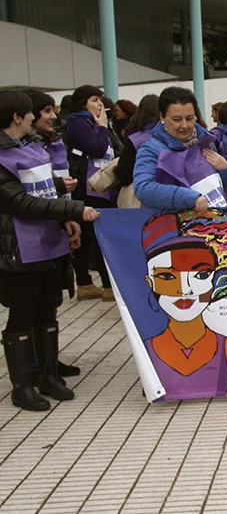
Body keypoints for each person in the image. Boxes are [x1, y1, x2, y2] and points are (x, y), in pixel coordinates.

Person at [0, 90, 99, 411]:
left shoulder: (28, 148)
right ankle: (22, 386)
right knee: (22, 314)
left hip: (47, 243)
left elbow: (37, 189)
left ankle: (48, 375)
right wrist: (73, 211)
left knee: (47, 311)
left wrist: (62, 207)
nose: (36, 118)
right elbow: (20, 202)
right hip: (18, 249)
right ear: (17, 117)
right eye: (32, 113)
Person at [140, 213, 227, 399]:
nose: (184, 290)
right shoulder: (145, 353)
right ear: (150, 282)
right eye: (168, 277)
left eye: (200, 275)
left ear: (214, 280)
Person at [22, 89, 84, 378]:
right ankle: (33, 369)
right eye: (45, 111)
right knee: (30, 305)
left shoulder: (50, 143)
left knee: (51, 300)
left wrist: (67, 218)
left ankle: (49, 361)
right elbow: (26, 196)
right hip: (28, 238)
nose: (51, 117)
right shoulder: (18, 152)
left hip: (56, 226)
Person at [133, 87, 227, 212]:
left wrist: (225, 170)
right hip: (170, 226)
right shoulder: (150, 150)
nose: (184, 125)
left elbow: (219, 187)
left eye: (189, 118)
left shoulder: (206, 142)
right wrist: (190, 198)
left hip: (212, 223)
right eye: (177, 120)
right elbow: (143, 188)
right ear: (162, 117)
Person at [62, 85, 116, 301]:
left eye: (101, 99)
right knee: (92, 234)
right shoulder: (79, 123)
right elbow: (97, 148)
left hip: (100, 185)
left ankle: (94, 283)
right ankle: (95, 283)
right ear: (83, 102)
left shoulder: (92, 122)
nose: (100, 104)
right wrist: (102, 127)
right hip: (88, 186)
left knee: (93, 233)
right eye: (95, 99)